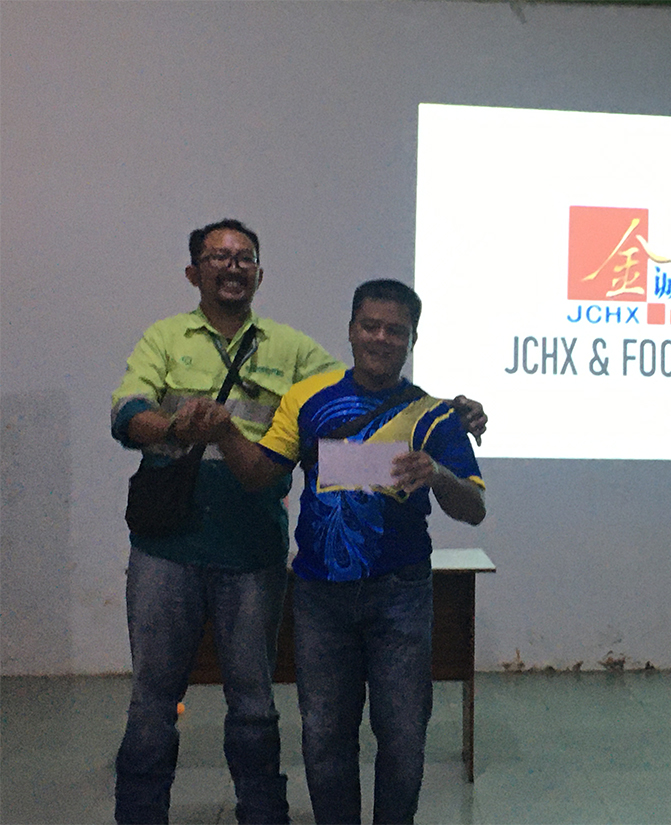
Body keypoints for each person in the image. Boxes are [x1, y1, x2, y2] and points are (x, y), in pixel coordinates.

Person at [111, 220, 486, 824]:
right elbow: (128, 414)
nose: (233, 266)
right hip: (171, 550)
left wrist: (451, 414)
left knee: (264, 709)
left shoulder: (293, 351)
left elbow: (373, 385)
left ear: (260, 273)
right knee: (159, 704)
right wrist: (185, 426)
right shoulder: (163, 338)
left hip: (263, 557)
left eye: (245, 257)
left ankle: (264, 816)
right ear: (194, 271)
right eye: (219, 256)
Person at [205, 278, 485, 825]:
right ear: (351, 330)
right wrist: (223, 432)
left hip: (401, 594)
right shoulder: (307, 399)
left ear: (413, 339)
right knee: (324, 735)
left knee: (403, 736)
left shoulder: (436, 416)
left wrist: (437, 472)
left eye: (395, 330)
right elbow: (260, 475)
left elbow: (473, 508)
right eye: (370, 326)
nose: (381, 338)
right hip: (319, 596)